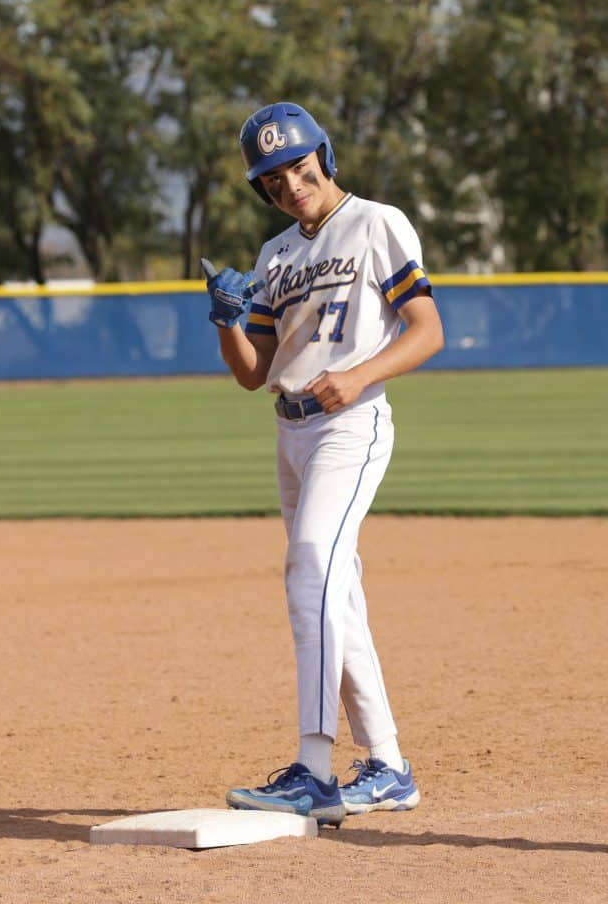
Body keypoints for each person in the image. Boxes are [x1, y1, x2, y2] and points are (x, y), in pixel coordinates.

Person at [201, 101, 445, 827]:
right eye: (271, 178)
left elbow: (427, 330)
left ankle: (312, 767)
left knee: (310, 564)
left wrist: (363, 374)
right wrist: (226, 323)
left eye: (297, 167)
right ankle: (387, 767)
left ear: (323, 157)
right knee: (331, 589)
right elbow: (255, 372)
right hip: (292, 434)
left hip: (349, 423)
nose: (288, 183)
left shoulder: (377, 222)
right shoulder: (276, 254)